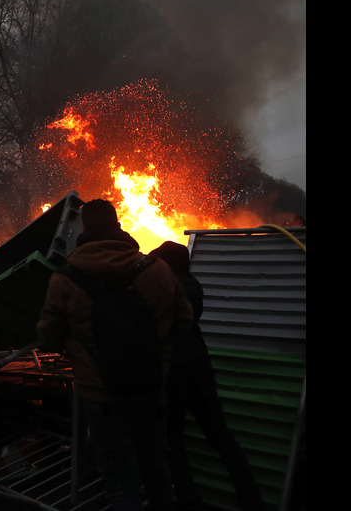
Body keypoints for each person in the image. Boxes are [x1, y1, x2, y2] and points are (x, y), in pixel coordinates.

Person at [36, 199, 193, 511]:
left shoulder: (64, 279)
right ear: (118, 225)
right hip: (151, 387)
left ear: (83, 229)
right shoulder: (158, 270)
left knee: (119, 478)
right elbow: (184, 322)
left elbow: (47, 335)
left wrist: (76, 343)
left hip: (100, 395)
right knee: (156, 467)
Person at [149, 241, 264, 511]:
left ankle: (189, 502)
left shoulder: (170, 288)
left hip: (175, 370)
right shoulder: (193, 284)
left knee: (172, 439)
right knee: (221, 437)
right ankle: (252, 501)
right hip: (199, 365)